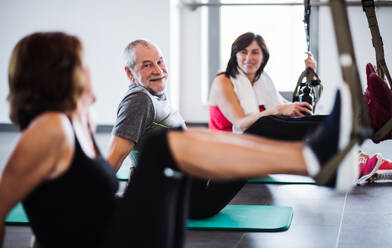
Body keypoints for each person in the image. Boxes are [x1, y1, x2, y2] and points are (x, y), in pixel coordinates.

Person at [0, 32, 359, 248]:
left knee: (173, 146)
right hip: (117, 238)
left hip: (128, 232)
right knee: (162, 148)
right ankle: (314, 158)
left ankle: (319, 155)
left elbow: (49, 211)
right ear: (58, 76)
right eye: (80, 64)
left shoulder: (73, 123)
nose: (88, 70)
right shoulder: (50, 128)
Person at [209, 32, 320, 134]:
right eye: (243, 52)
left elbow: (293, 109)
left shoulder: (263, 81)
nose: (249, 58)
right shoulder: (223, 81)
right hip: (225, 147)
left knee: (321, 123)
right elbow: (241, 124)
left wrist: (310, 75)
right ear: (235, 56)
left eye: (255, 52)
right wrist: (277, 110)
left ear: (263, 57)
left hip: (258, 143)